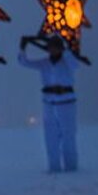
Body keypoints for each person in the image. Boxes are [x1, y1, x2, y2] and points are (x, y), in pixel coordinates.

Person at [18, 36, 81, 172]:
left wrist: (65, 50)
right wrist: (22, 48)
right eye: (50, 47)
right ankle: (54, 168)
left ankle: (71, 168)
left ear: (61, 48)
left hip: (66, 103)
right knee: (50, 138)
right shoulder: (44, 63)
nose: (53, 50)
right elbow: (24, 62)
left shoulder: (68, 61)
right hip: (49, 103)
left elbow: (76, 65)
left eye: (55, 47)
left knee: (68, 137)